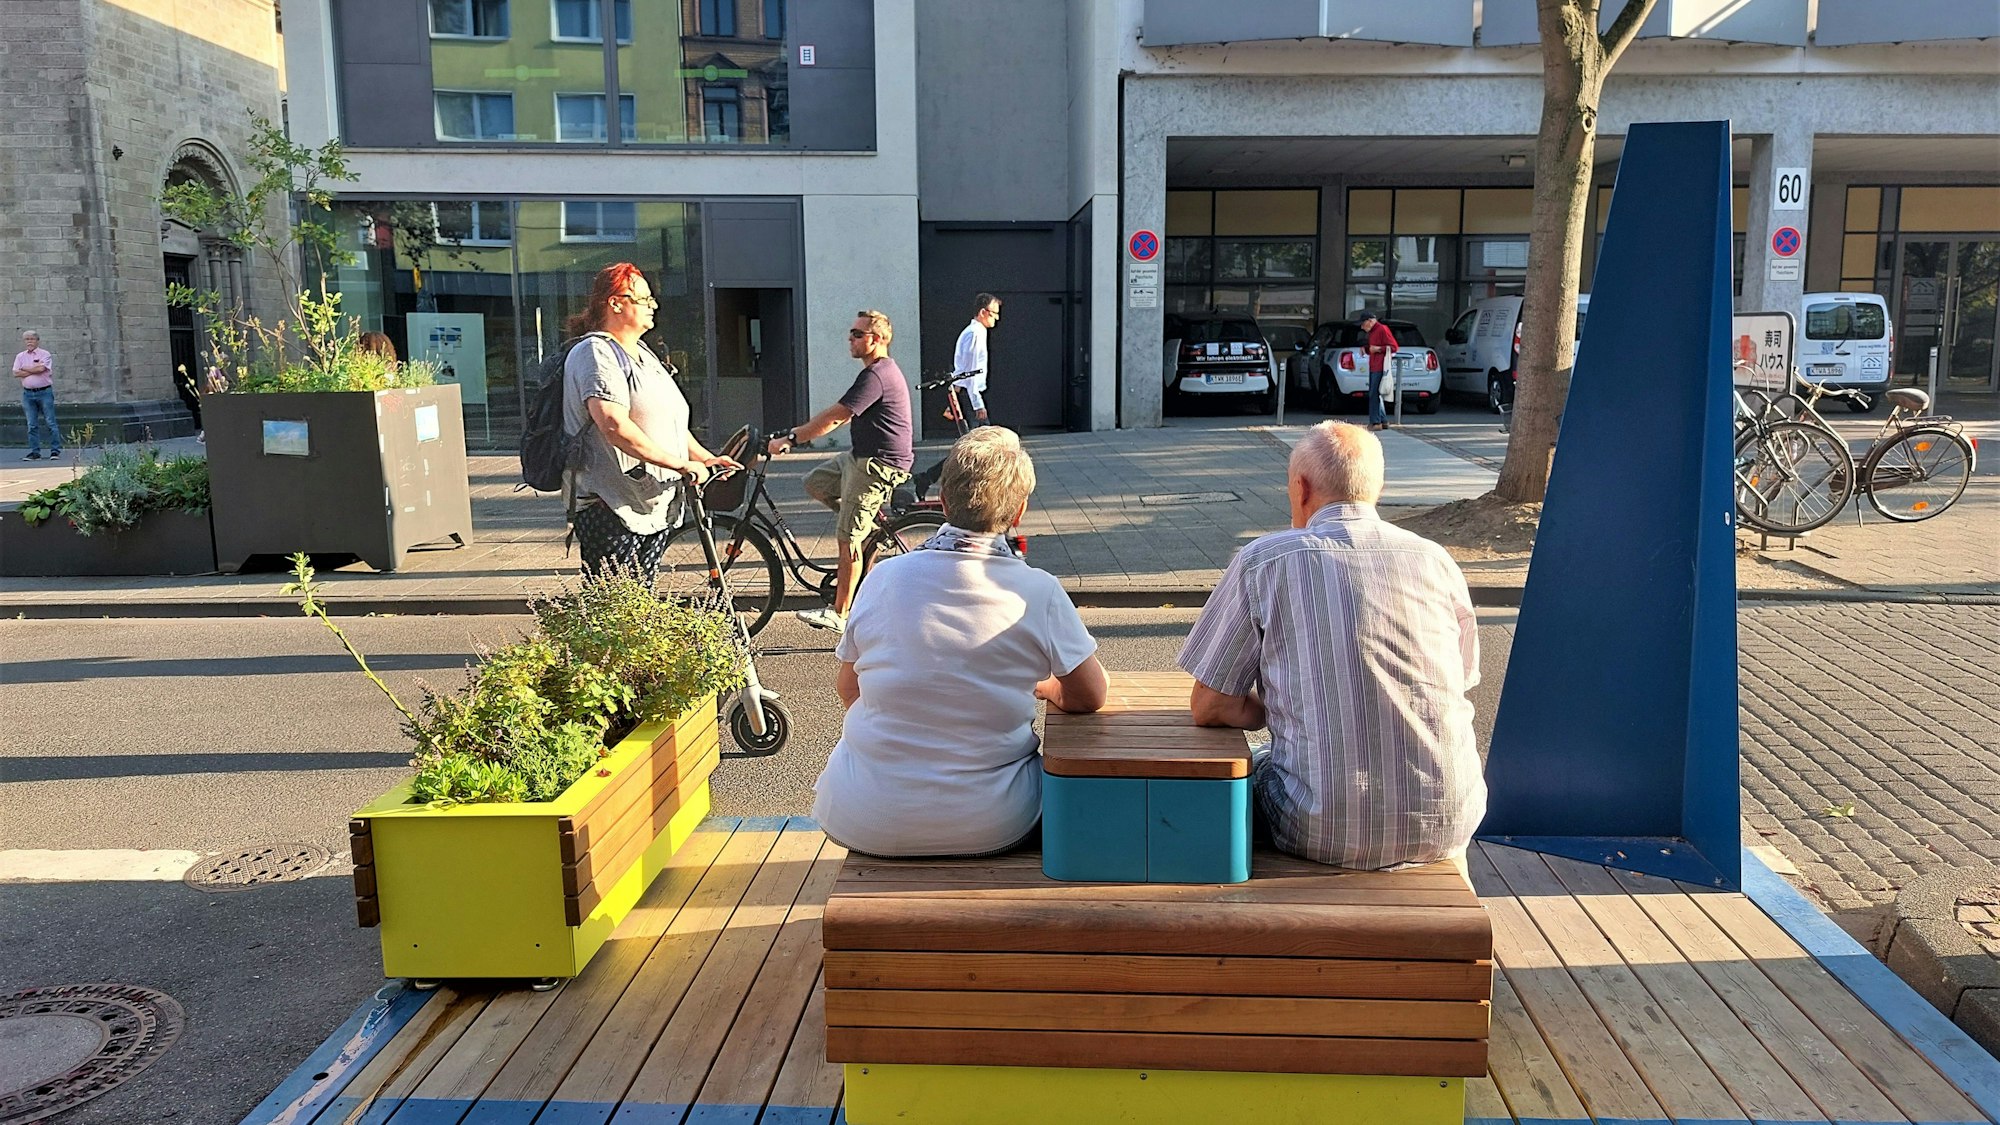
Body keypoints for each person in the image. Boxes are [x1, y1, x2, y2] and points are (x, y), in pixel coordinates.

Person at [1178, 420, 1484, 873]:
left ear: (1300, 488)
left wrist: (1270, 708)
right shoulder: (1435, 560)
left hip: (1318, 828)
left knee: (1251, 770)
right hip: (1449, 821)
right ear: (1377, 490)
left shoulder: (1264, 560)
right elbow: (1459, 680)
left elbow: (1211, 706)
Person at [812, 427, 1108, 857]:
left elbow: (849, 689)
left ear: (944, 502)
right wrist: (1044, 687)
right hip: (992, 823)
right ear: (1019, 511)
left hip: (862, 815)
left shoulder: (882, 578)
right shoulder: (1038, 591)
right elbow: (1090, 695)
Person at [563, 262, 738, 583]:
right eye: (644, 299)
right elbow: (613, 424)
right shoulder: (596, 352)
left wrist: (704, 458)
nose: (653, 305)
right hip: (611, 506)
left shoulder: (643, 353)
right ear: (615, 303)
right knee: (617, 605)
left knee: (640, 600)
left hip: (652, 505)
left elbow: (671, 423)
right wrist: (679, 465)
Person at [766, 310, 914, 633]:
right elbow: (843, 415)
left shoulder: (877, 375)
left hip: (877, 465)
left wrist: (791, 438)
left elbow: (837, 416)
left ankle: (840, 613)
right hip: (858, 458)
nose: (850, 338)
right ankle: (867, 527)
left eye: (857, 334)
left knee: (847, 538)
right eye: (851, 333)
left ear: (877, 340)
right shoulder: (874, 372)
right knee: (815, 483)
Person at [950, 293, 1002, 427]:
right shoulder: (975, 334)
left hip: (968, 392)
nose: (997, 318)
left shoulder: (977, 332)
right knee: (980, 436)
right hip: (969, 394)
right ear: (983, 312)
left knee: (980, 435)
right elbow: (971, 372)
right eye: (994, 313)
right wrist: (977, 404)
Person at [13, 331, 60, 461]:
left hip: (44, 392)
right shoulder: (20, 356)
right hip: (28, 394)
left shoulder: (45, 354)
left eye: (32, 339)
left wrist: (24, 368)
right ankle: (35, 452)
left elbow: (41, 369)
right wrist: (34, 369)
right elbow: (16, 373)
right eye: (27, 339)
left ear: (37, 340)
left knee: (50, 422)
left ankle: (55, 451)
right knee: (31, 424)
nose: (29, 341)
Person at [1359, 311, 1398, 431]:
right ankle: (1383, 420)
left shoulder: (1382, 329)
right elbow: (1372, 347)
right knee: (1375, 393)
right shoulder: (1372, 332)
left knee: (1374, 394)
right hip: (1374, 365)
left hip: (1380, 366)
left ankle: (1375, 422)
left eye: (1363, 324)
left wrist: (1378, 349)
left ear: (1370, 321)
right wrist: (1366, 349)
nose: (1362, 327)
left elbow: (1394, 347)